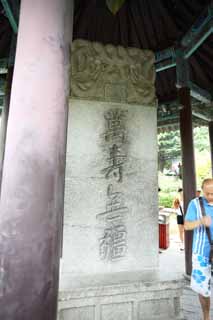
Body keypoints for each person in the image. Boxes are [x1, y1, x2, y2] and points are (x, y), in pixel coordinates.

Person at [184, 178, 213, 320]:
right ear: (202, 191)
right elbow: (187, 225)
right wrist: (201, 221)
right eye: (208, 194)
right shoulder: (195, 204)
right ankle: (206, 316)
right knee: (203, 290)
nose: (211, 197)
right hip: (201, 253)